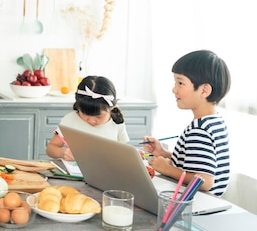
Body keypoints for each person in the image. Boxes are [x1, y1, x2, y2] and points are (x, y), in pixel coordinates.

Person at [142, 50, 231, 196]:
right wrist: (163, 153)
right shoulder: (214, 121)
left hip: (199, 205)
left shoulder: (200, 130)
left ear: (204, 90)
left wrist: (167, 169)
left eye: (180, 83)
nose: (174, 89)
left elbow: (205, 181)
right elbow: (195, 163)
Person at [46, 75, 129, 160]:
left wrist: (133, 155)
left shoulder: (117, 122)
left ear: (112, 107)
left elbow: (123, 152)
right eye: (85, 114)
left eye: (99, 116)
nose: (92, 121)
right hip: (74, 171)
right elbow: (51, 148)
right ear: (78, 107)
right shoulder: (70, 120)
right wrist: (63, 153)